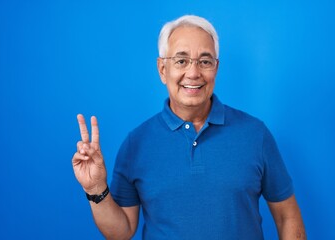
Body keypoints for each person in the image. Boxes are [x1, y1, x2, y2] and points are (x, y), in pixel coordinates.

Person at [72, 15, 306, 240]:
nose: (193, 73)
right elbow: (120, 232)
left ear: (216, 68)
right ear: (163, 69)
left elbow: (287, 216)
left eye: (205, 61)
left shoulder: (256, 134)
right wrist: (96, 188)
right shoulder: (135, 144)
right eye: (181, 61)